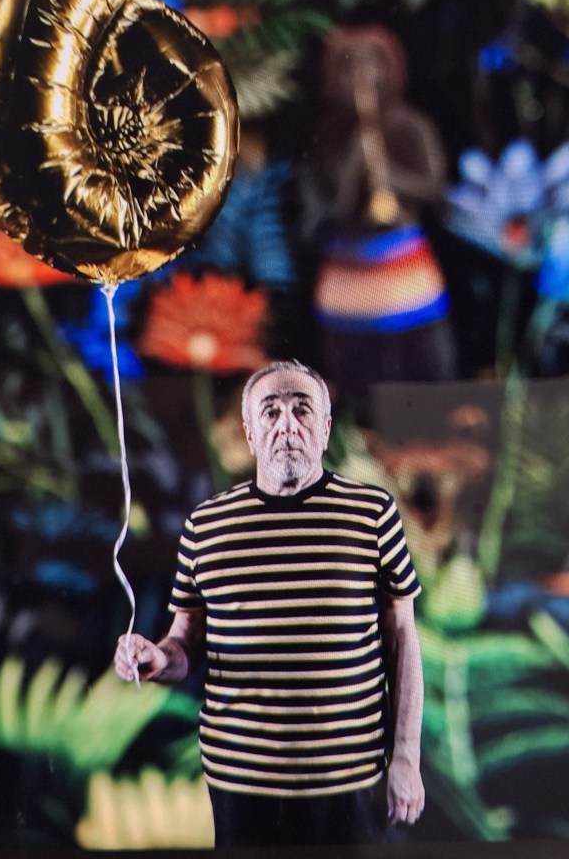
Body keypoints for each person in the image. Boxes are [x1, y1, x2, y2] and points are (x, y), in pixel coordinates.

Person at [113, 359, 425, 847]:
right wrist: (156, 657)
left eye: (302, 410)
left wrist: (405, 756)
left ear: (325, 428)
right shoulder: (206, 525)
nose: (287, 425)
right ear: (249, 433)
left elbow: (403, 639)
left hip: (349, 782)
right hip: (240, 785)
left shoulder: (372, 514)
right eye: (270, 411)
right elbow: (184, 643)